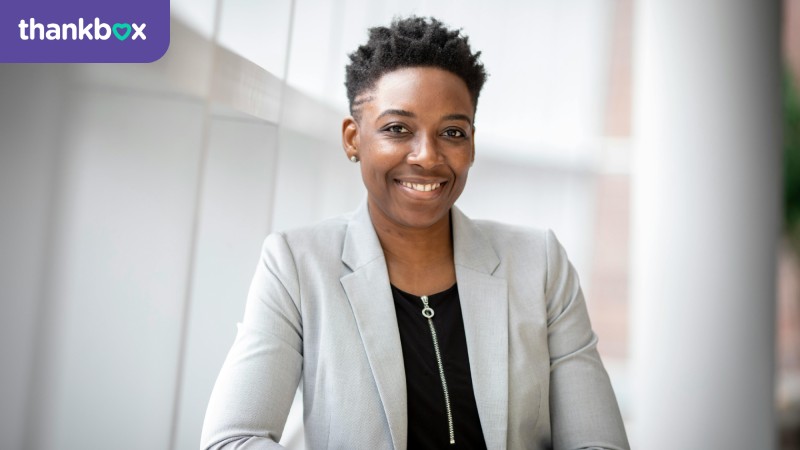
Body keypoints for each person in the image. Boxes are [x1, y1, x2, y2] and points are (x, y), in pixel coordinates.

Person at [201, 16, 629, 450]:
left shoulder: (540, 264)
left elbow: (599, 442)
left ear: (472, 145)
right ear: (353, 139)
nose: (427, 156)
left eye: (451, 132)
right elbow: (232, 440)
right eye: (397, 129)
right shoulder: (297, 264)